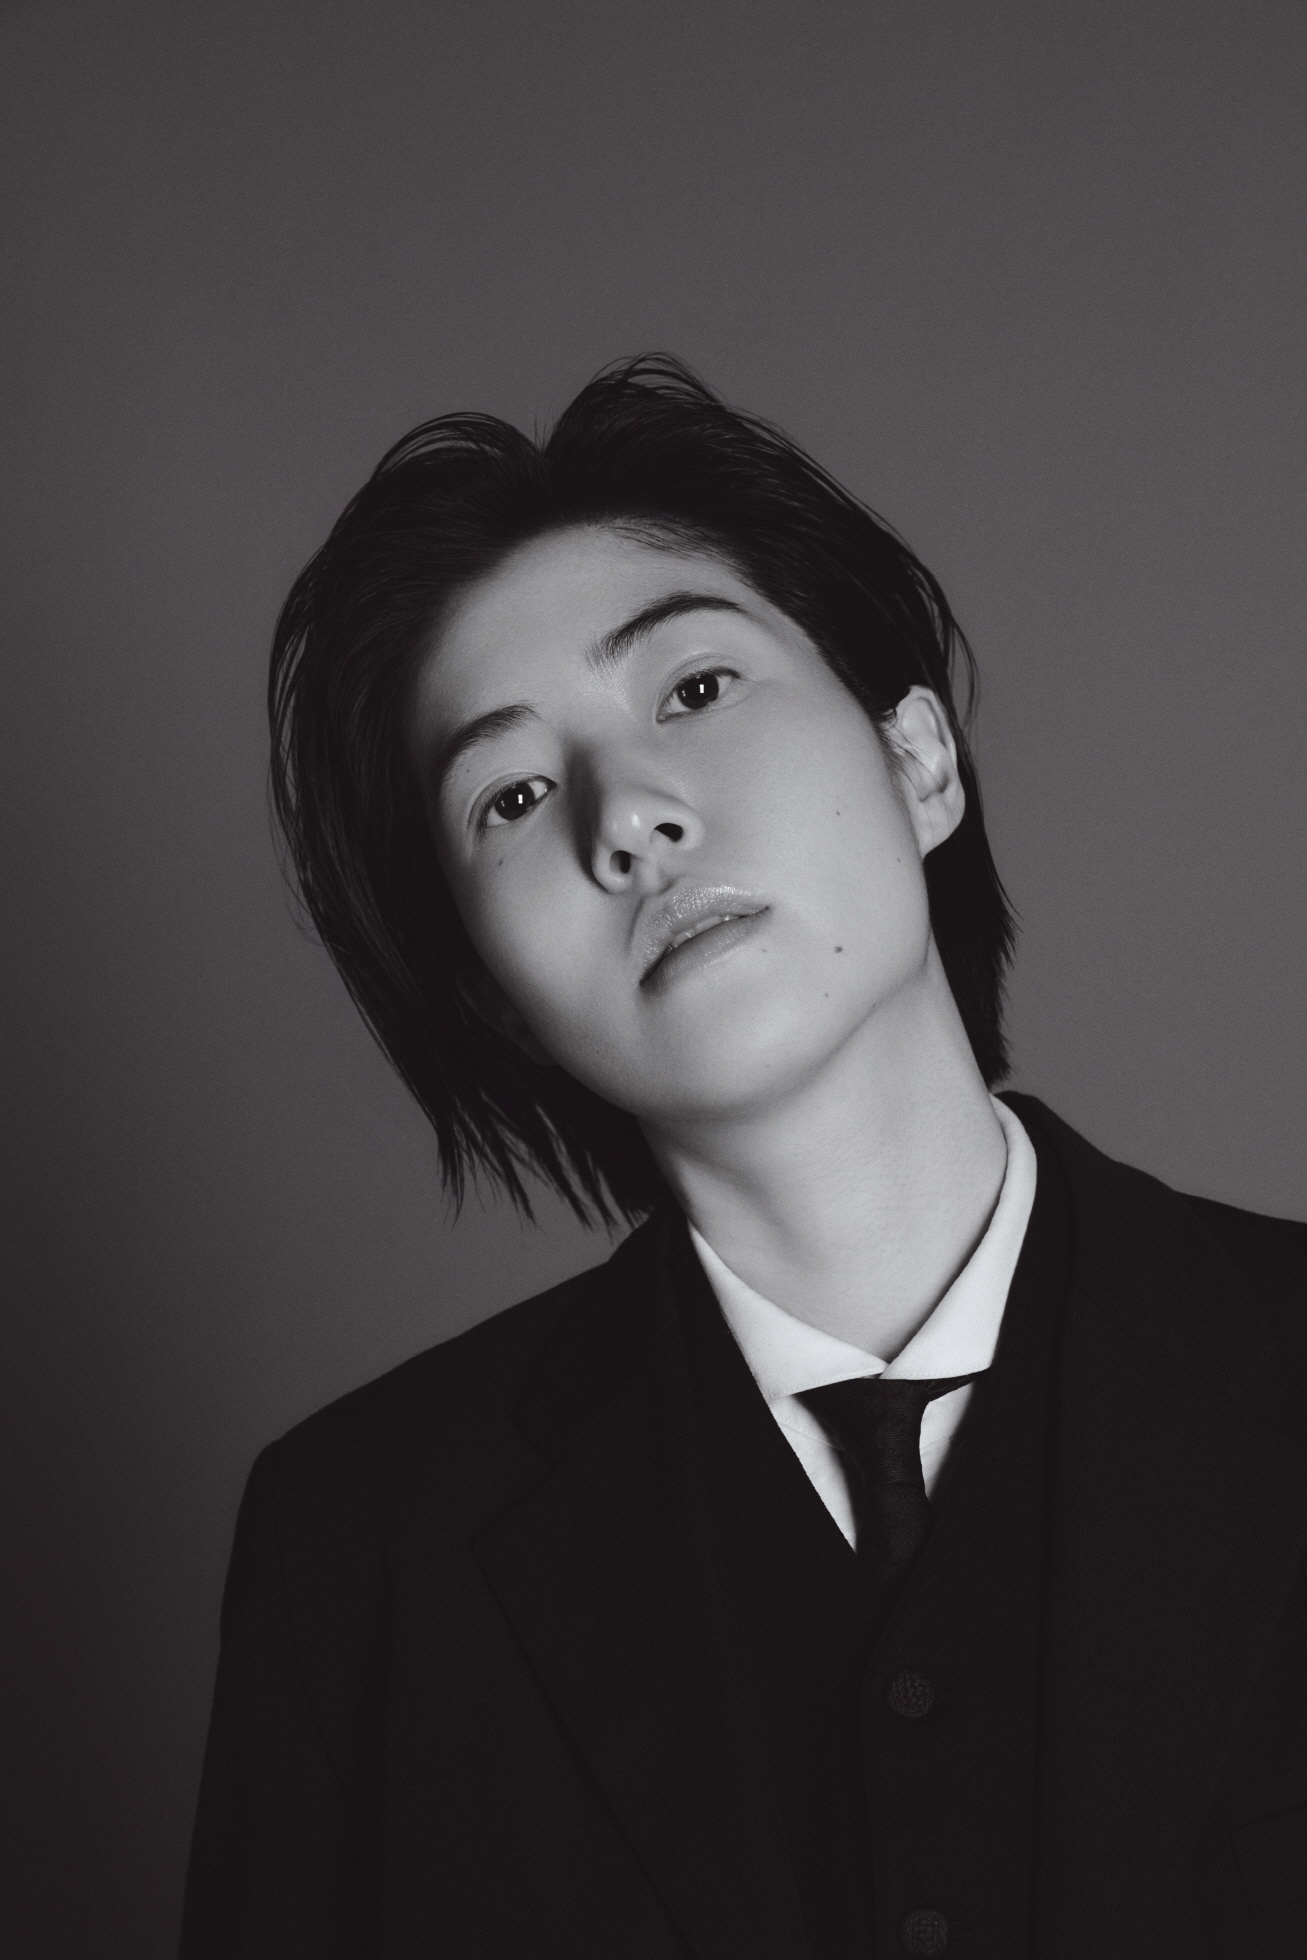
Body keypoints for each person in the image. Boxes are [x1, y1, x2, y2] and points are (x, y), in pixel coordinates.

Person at [179, 357, 1307, 1960]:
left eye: (696, 689)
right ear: (489, 994)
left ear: (919, 761)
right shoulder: (358, 1552)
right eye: (512, 793)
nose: (627, 815)